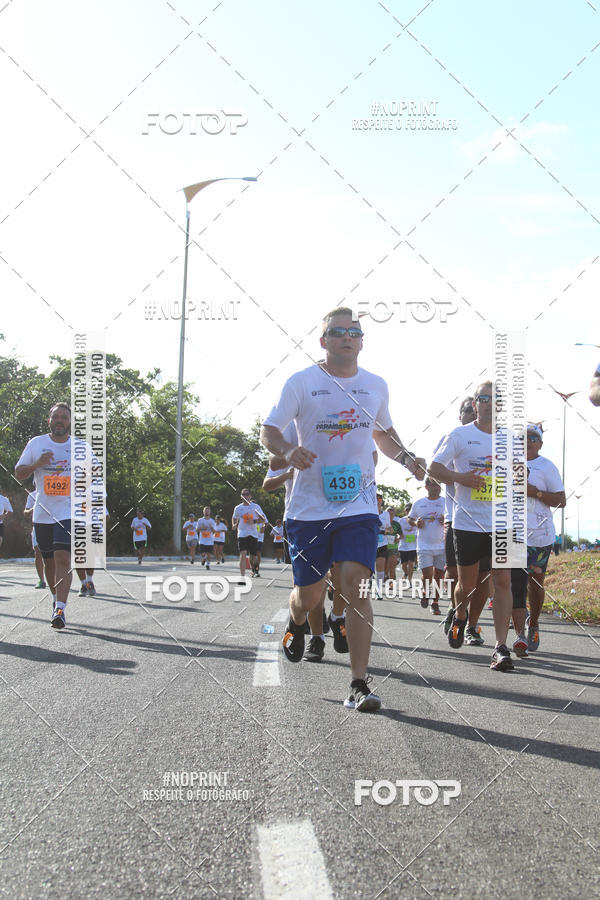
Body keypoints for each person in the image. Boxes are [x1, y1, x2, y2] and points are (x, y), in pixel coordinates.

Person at [261, 306, 426, 710]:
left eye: (354, 332)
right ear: (323, 341)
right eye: (338, 332)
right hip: (308, 510)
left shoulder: (375, 385)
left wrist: (407, 458)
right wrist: (288, 450)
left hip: (359, 506)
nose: (347, 337)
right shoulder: (301, 382)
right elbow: (268, 431)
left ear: (362, 341)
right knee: (310, 595)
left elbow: (383, 434)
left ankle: (358, 683)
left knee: (355, 586)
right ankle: (297, 619)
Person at [430, 381, 519, 672]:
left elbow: (519, 475)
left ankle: (501, 647)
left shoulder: (510, 439)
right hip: (468, 522)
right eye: (483, 398)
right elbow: (434, 468)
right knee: (466, 585)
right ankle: (460, 615)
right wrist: (461, 478)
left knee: (502, 582)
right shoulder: (460, 435)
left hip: (503, 523)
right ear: (475, 403)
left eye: (495, 399)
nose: (488, 403)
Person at [15, 402, 73, 628]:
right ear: (49, 420)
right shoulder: (36, 443)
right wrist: (37, 463)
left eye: (64, 417)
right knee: (49, 562)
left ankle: (60, 609)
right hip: (43, 513)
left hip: (67, 511)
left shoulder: (79, 447)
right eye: (56, 417)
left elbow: (94, 474)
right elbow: (19, 473)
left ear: (70, 422)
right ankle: (55, 598)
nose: (60, 420)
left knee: (63, 558)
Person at [511, 424, 566, 655]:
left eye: (533, 438)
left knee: (535, 583)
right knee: (515, 585)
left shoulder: (547, 466)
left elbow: (562, 501)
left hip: (540, 536)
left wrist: (536, 493)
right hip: (512, 534)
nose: (528, 441)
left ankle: (533, 624)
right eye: (523, 437)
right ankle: (519, 636)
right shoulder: (506, 465)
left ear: (540, 444)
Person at [408, 477, 445, 614]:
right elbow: (410, 519)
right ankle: (425, 592)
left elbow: (454, 517)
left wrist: (446, 519)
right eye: (434, 485)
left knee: (439, 576)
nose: (437, 487)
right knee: (428, 574)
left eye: (438, 484)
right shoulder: (419, 503)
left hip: (442, 545)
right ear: (427, 487)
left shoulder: (445, 502)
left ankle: (435, 603)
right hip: (424, 545)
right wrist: (415, 523)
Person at [232, 489, 266, 584]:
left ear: (250, 496)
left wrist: (254, 521)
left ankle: (254, 569)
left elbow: (263, 519)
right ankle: (242, 577)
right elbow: (234, 518)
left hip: (253, 534)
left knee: (253, 556)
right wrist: (234, 524)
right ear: (241, 496)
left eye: (247, 494)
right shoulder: (238, 508)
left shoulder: (255, 507)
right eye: (243, 494)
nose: (245, 496)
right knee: (243, 554)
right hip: (242, 534)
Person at [23, 491, 45, 588]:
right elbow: (26, 513)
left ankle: (55, 578)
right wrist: (33, 508)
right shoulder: (32, 495)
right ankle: (42, 580)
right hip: (37, 526)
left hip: (53, 525)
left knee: (53, 554)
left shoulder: (54, 492)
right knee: (38, 552)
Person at [374, 494, 391, 598]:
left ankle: (378, 590)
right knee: (368, 569)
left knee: (380, 568)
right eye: (375, 498)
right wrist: (381, 531)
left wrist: (387, 531)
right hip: (370, 543)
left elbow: (389, 528)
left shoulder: (386, 514)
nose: (377, 501)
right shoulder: (369, 513)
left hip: (382, 543)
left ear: (382, 501)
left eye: (379, 499)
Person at [397, 505, 417, 584]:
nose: (408, 512)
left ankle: (409, 580)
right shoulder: (401, 520)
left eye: (410, 510)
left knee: (411, 564)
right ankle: (406, 573)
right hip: (403, 545)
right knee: (403, 565)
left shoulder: (416, 520)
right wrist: (399, 536)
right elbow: (398, 531)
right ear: (405, 511)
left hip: (413, 546)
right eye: (407, 510)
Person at [385, 507, 401, 583]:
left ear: (394, 514)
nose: (390, 515)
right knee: (385, 568)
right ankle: (386, 576)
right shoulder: (382, 522)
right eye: (388, 514)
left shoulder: (396, 524)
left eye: (392, 514)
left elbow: (401, 535)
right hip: (383, 547)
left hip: (393, 547)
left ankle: (391, 583)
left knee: (392, 566)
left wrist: (398, 538)